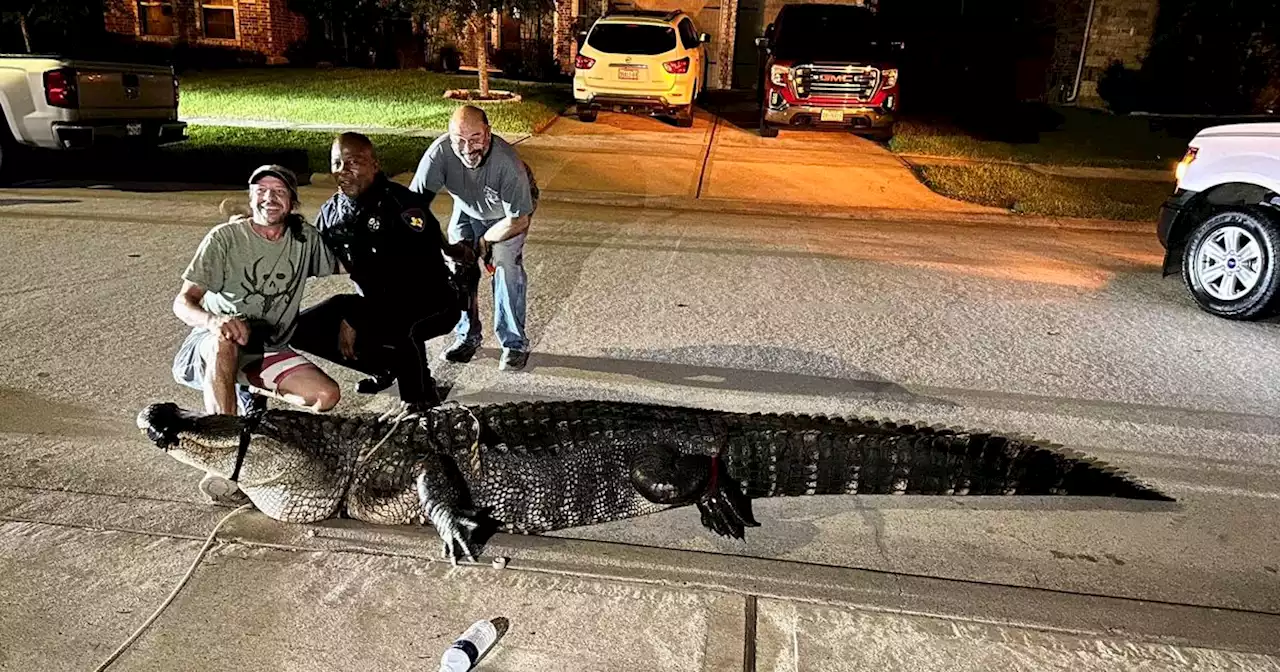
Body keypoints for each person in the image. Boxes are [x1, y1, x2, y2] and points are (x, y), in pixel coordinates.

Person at [290, 132, 475, 413]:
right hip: (373, 304)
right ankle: (386, 366)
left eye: (354, 162)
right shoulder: (331, 212)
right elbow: (311, 259)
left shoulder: (402, 206)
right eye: (337, 163)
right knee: (297, 328)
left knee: (397, 324)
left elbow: (413, 283)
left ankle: (419, 399)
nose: (343, 171)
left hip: (431, 301)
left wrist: (355, 318)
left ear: (374, 165)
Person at [171, 164, 341, 417]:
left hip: (265, 348)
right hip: (213, 346)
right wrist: (214, 321)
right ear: (251, 198)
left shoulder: (305, 238)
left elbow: (348, 263)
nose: (269, 198)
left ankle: (251, 395)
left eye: (279, 191)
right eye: (261, 191)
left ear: (292, 201)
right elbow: (182, 302)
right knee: (225, 342)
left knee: (325, 396)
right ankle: (224, 431)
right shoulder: (224, 238)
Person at [410, 104, 538, 372]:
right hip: (467, 208)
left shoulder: (508, 164)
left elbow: (519, 219)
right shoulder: (440, 153)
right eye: (459, 140)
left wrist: (483, 244)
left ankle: (514, 344)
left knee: (504, 266)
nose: (467, 149)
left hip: (507, 218)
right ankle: (467, 336)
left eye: (475, 138)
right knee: (458, 268)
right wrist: (438, 244)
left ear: (488, 133)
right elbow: (412, 205)